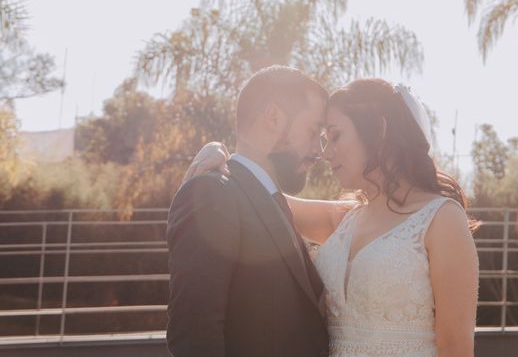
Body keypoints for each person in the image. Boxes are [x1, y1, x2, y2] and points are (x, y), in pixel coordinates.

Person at [186, 77, 479, 357]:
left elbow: (455, 347)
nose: (325, 153)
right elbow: (256, 192)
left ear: (378, 132)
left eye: (335, 136)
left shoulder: (442, 219)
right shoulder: (344, 219)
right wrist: (220, 157)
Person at [166, 66, 330, 357]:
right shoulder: (212, 192)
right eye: (314, 131)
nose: (320, 150)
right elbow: (194, 335)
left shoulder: (273, 201)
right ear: (274, 117)